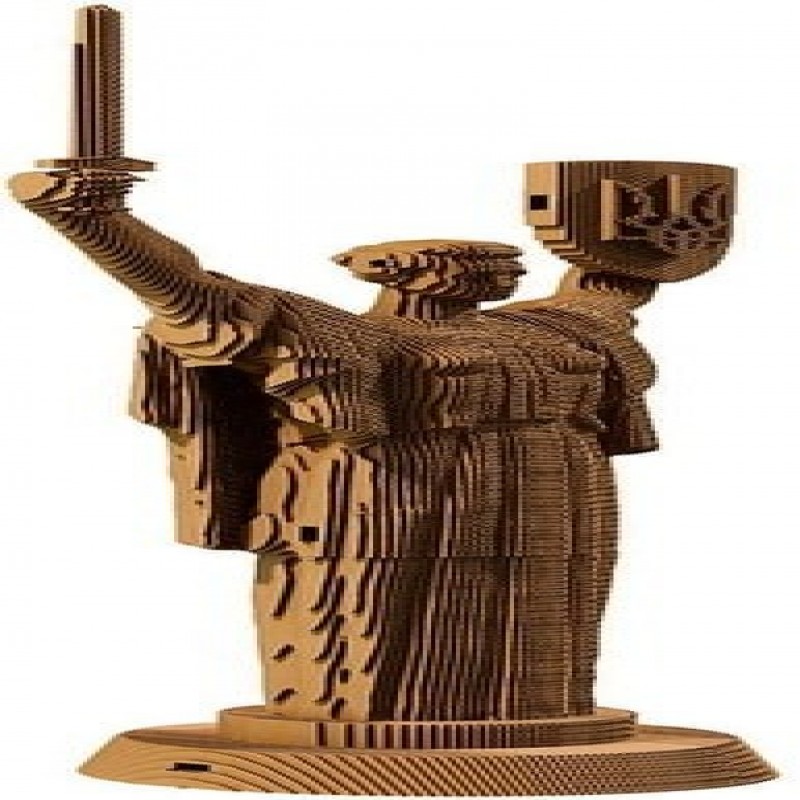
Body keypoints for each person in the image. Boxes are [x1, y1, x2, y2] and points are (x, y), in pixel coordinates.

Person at [9, 169, 657, 727]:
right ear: (417, 275)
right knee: (375, 626)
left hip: (552, 498)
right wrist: (96, 220)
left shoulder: (545, 331)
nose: (506, 272)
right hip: (396, 498)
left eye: (507, 264)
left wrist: (644, 227)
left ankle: (528, 720)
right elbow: (191, 295)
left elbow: (608, 291)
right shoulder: (340, 334)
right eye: (480, 263)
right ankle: (364, 731)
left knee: (541, 631)